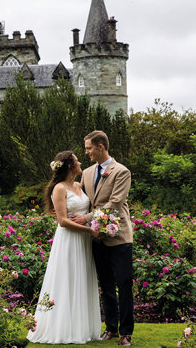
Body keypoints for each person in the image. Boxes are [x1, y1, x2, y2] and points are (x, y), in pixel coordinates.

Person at [27, 151, 101, 344]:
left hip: (83, 242)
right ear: (70, 166)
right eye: (77, 161)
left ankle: (82, 327)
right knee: (67, 280)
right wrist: (89, 231)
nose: (80, 162)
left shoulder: (78, 185)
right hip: (70, 240)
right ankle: (63, 328)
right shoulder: (59, 189)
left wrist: (90, 223)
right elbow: (62, 221)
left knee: (82, 279)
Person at [72, 130, 134, 346]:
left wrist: (86, 218)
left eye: (89, 148)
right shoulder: (87, 173)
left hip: (119, 238)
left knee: (124, 283)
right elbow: (80, 196)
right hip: (97, 237)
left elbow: (114, 204)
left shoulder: (122, 172)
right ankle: (111, 328)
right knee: (106, 284)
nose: (86, 152)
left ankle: (126, 332)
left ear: (101, 146)